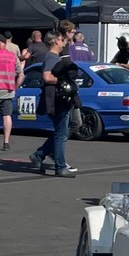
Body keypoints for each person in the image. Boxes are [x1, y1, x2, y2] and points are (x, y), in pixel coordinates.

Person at [31, 27, 81, 176]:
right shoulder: (52, 57)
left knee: (62, 131)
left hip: (58, 99)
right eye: (62, 39)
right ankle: (60, 167)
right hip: (57, 99)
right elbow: (47, 77)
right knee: (61, 134)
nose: (64, 42)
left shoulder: (54, 57)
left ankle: (39, 155)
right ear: (56, 41)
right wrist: (63, 81)